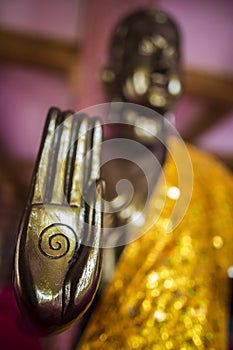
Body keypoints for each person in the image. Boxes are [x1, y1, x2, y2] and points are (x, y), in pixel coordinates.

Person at [74, 8, 233, 349]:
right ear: (111, 73)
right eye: (147, 49)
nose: (163, 63)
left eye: (173, 54)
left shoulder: (213, 179)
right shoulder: (84, 168)